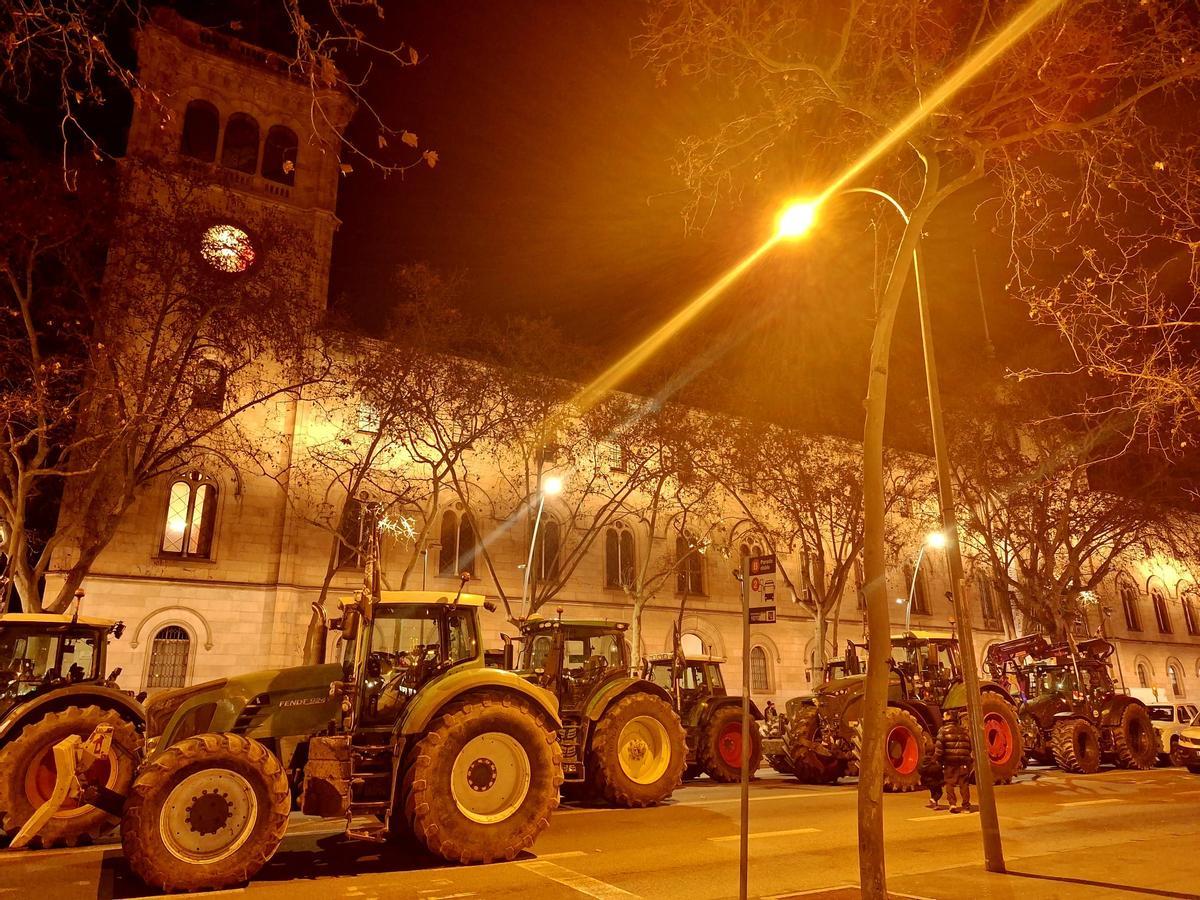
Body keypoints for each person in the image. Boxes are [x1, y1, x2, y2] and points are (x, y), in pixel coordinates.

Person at [934, 709, 974, 813]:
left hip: (949, 761)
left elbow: (939, 749)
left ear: (948, 717)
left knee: (949, 782)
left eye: (944, 716)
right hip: (963, 761)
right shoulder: (964, 731)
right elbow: (969, 746)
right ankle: (966, 806)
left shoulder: (943, 731)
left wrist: (936, 760)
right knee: (964, 784)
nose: (943, 718)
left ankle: (952, 804)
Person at [919, 738, 945, 809]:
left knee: (933, 792)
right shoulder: (933, 760)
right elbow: (936, 769)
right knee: (939, 792)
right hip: (935, 780)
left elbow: (920, 770)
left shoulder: (923, 760)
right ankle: (934, 800)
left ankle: (935, 805)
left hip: (926, 780)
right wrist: (941, 768)